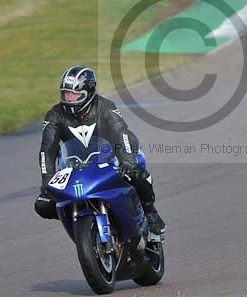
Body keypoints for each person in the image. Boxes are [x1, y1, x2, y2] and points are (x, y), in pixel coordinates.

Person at [33, 65, 166, 234]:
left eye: (75, 95)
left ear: (88, 93)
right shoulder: (55, 115)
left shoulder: (105, 107)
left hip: (111, 156)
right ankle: (81, 221)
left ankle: (150, 212)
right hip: (75, 165)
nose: (69, 99)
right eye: (66, 94)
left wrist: (128, 161)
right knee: (43, 205)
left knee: (135, 172)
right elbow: (47, 150)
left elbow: (121, 133)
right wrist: (47, 181)